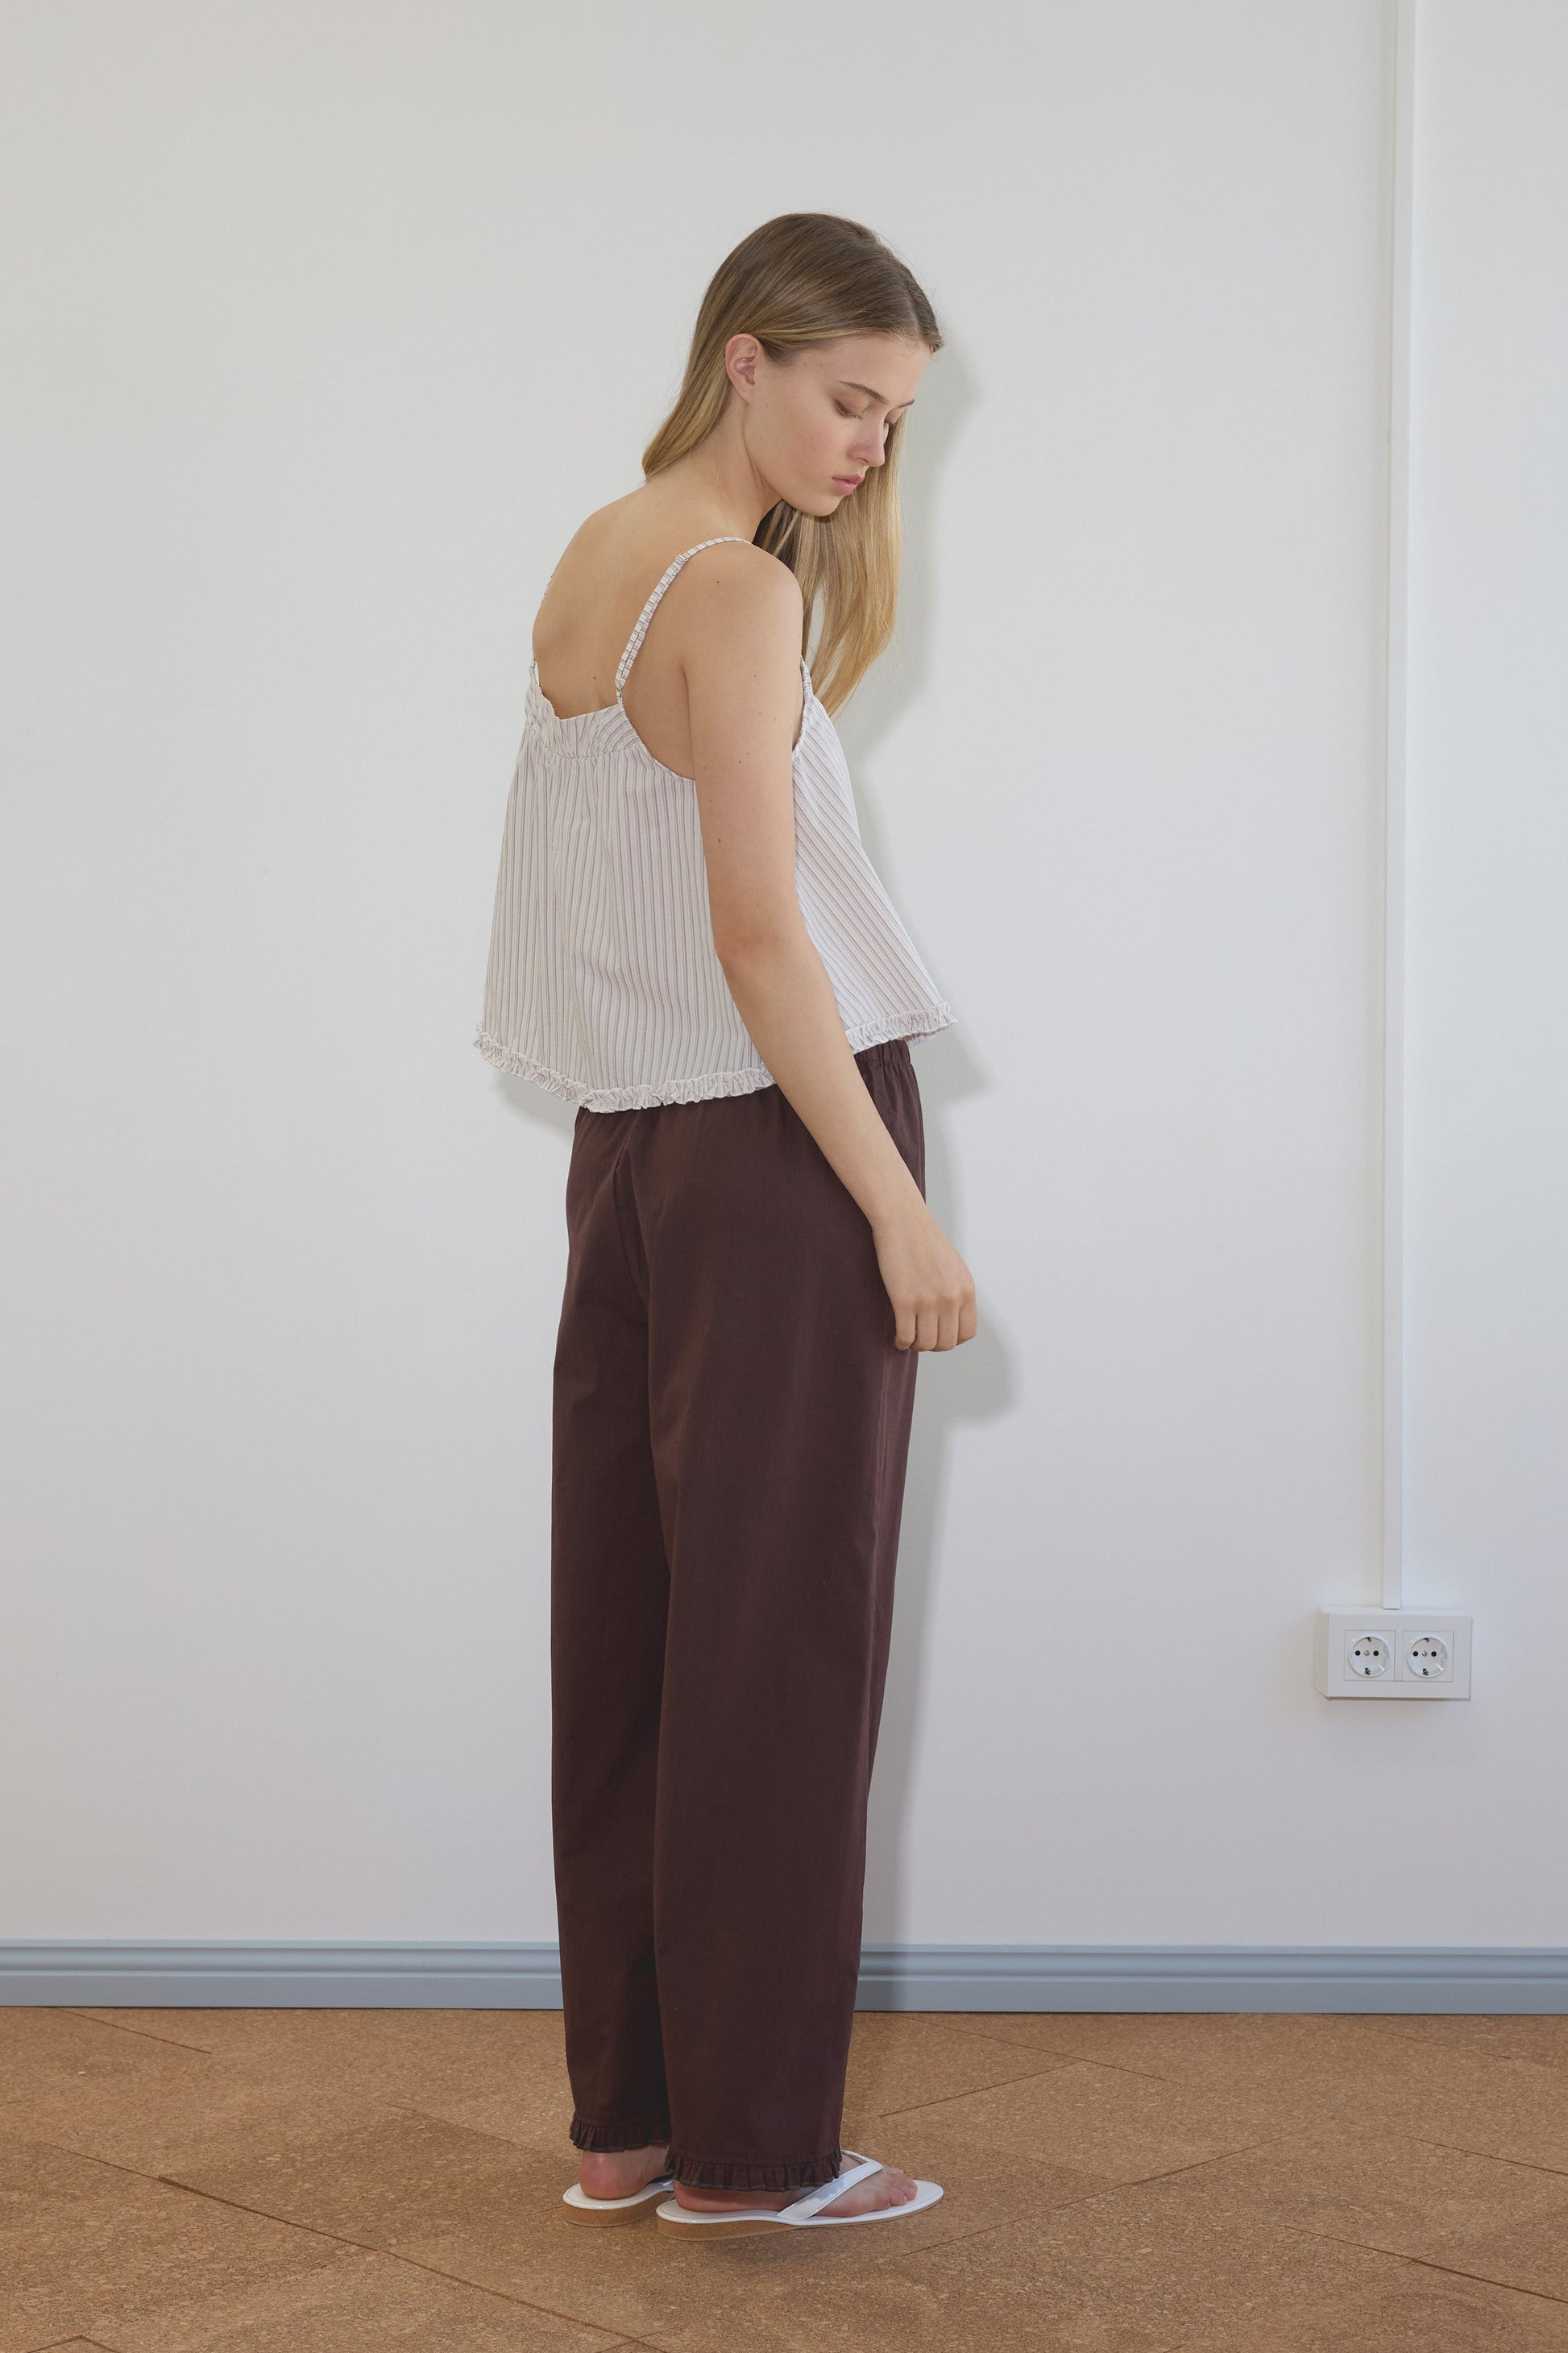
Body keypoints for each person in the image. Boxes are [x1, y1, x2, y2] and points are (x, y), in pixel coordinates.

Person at [475, 212, 977, 2239]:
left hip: (630, 1155)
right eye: (851, 399)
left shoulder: (597, 554)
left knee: (636, 1634)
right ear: (747, 357)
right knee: (773, 1646)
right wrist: (895, 1211)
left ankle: (633, 2126)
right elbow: (762, 938)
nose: (871, 448)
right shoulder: (732, 592)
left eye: (899, 419)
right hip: (778, 1152)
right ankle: (762, 2153)